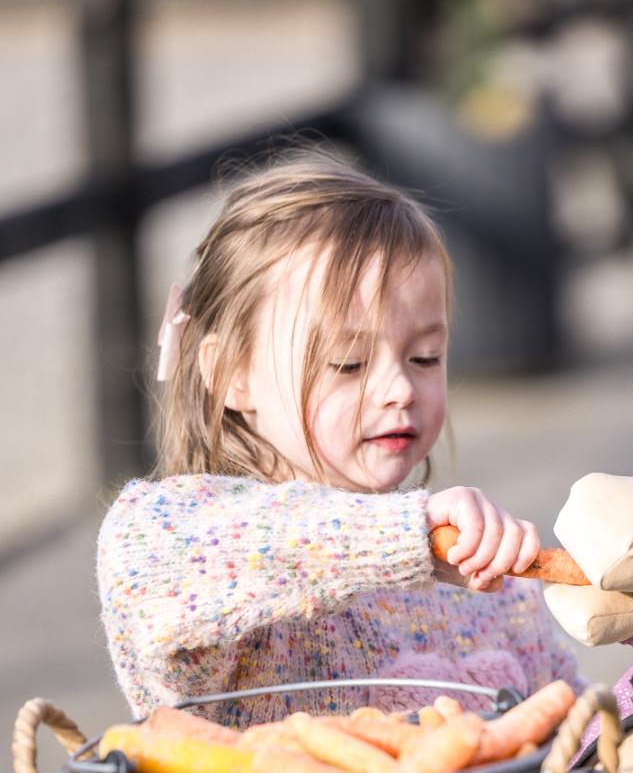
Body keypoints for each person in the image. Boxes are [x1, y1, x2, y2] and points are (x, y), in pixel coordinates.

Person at [97, 149, 583, 727]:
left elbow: (580, 739)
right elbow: (153, 556)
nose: (399, 387)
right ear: (231, 374)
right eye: (348, 364)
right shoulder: (180, 543)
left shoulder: (492, 587)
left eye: (425, 357)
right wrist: (409, 537)